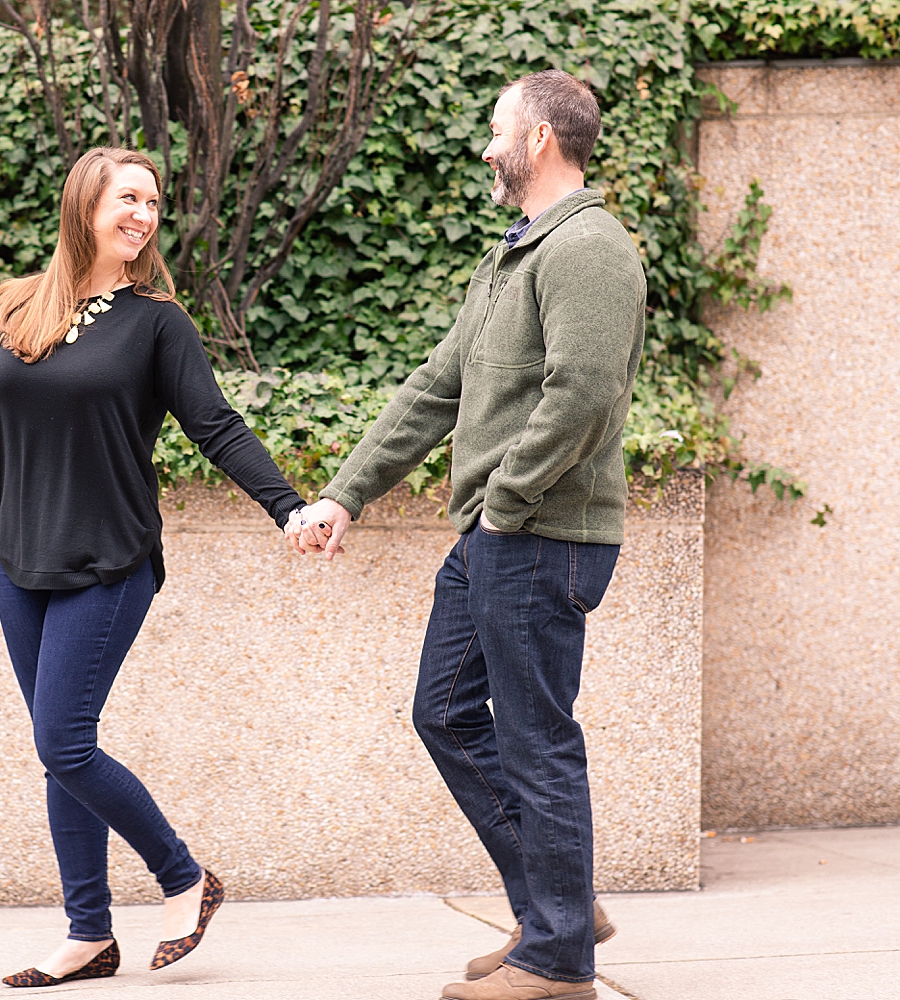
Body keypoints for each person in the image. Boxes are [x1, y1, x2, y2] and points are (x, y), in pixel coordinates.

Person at [0, 147, 306, 986]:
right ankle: (89, 933)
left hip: (112, 559)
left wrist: (288, 506)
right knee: (57, 750)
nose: (143, 215)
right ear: (85, 205)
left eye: (153, 202)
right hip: (22, 565)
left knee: (64, 740)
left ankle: (185, 877)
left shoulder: (158, 322)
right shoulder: (16, 313)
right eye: (128, 198)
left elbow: (216, 426)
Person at [291, 70, 644, 1000]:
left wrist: (505, 499)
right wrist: (345, 494)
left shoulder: (590, 250)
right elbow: (435, 386)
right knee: (444, 711)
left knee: (535, 739)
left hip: (540, 534)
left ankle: (559, 961)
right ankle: (556, 905)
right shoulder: (513, 255)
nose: (487, 147)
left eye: (497, 131)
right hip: (501, 533)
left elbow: (584, 392)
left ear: (539, 142)